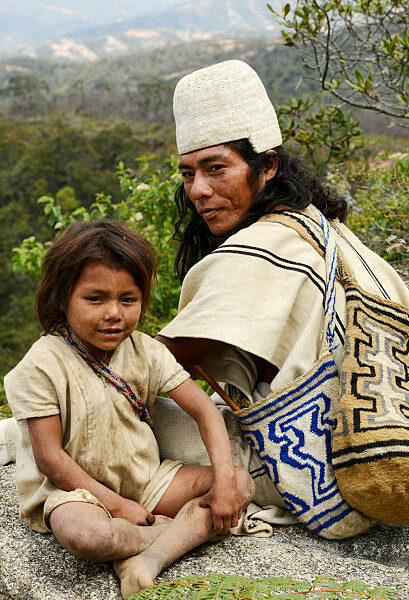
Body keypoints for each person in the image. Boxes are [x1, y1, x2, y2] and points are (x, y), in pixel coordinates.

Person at [155, 59, 409, 537]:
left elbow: (157, 365)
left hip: (312, 471)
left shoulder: (263, 246)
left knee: (107, 407)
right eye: (188, 174)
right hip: (373, 442)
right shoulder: (322, 227)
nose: (199, 190)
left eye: (216, 169)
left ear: (266, 166)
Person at [4, 219, 254, 598]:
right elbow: (50, 457)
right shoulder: (41, 364)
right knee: (87, 536)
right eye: (95, 299)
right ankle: (177, 533)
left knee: (239, 482)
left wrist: (222, 482)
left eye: (128, 300)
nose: (113, 313)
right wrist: (117, 505)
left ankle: (146, 558)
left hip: (148, 481)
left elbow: (204, 411)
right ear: (62, 297)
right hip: (76, 494)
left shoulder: (146, 351)